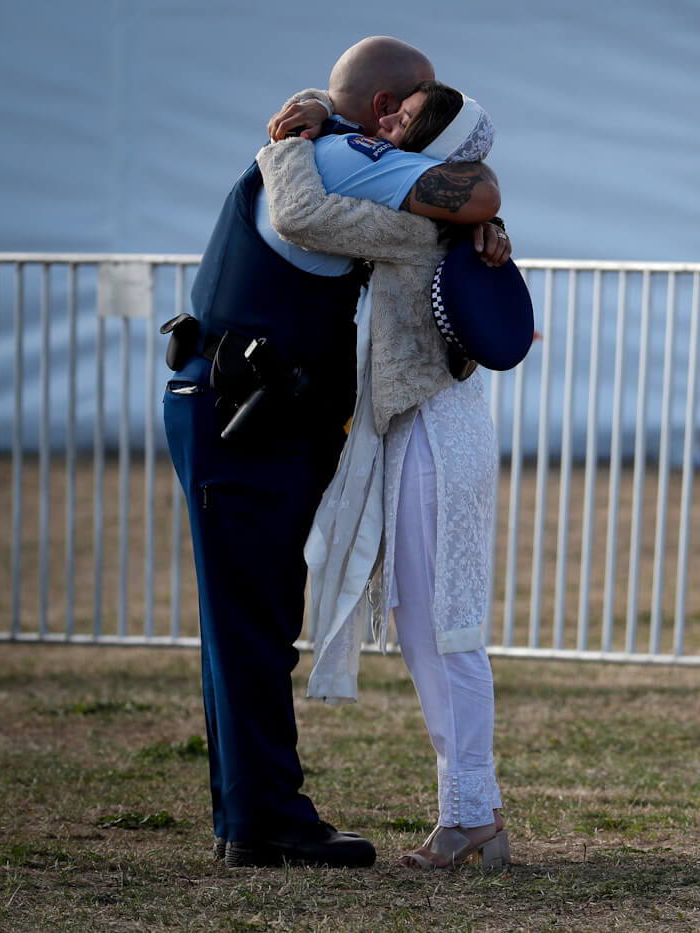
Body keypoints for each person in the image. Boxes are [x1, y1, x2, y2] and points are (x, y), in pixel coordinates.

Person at [163, 36, 502, 869]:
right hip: (250, 411)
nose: (407, 123)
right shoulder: (343, 155)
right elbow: (469, 190)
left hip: (241, 402)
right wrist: (476, 216)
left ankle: (254, 811)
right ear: (391, 107)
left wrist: (307, 118)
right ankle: (265, 818)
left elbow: (473, 193)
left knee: (247, 620)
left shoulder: (330, 147)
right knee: (253, 623)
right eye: (417, 100)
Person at [258, 80, 510, 870]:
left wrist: (288, 145)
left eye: (403, 118)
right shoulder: (448, 215)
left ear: (433, 139)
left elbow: (300, 212)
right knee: (430, 627)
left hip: (436, 430)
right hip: (434, 428)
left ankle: (474, 814)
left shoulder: (413, 222)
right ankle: (470, 811)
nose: (385, 122)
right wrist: (320, 113)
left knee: (446, 628)